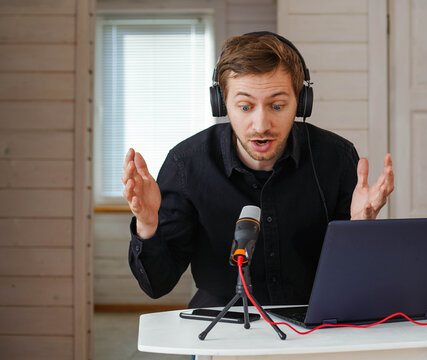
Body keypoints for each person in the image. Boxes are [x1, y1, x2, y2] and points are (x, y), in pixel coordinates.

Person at [122, 32, 394, 308]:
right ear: (222, 103)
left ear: (301, 103)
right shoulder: (186, 164)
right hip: (220, 323)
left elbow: (355, 279)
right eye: (245, 106)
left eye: (277, 105)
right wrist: (147, 225)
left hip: (313, 323)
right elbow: (157, 285)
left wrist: (360, 230)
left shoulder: (335, 157)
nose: (261, 124)